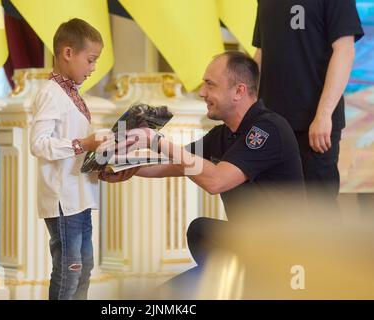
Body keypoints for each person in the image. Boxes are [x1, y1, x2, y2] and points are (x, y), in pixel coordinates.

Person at [100, 52, 306, 297]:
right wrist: (125, 168)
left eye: (210, 84)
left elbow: (217, 180)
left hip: (283, 258)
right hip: (251, 247)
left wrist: (156, 141)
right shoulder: (222, 135)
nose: (202, 93)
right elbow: (174, 163)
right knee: (201, 231)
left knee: (165, 299)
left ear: (239, 91)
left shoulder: (268, 128)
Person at [252, 0, 364, 211]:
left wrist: (324, 115)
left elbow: (344, 51)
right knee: (270, 211)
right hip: (270, 123)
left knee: (317, 212)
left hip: (313, 125)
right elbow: (261, 54)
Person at [30, 18, 107, 300]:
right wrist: (83, 143)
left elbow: (77, 144)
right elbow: (38, 144)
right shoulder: (50, 94)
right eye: (91, 60)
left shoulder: (71, 94)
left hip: (81, 196)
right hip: (63, 199)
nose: (93, 68)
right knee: (69, 269)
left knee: (84, 266)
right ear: (67, 53)